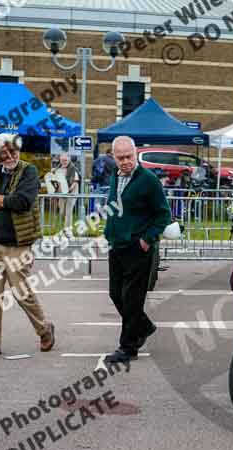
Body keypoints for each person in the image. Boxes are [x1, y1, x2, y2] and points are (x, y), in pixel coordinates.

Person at [0, 133, 55, 359]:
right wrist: (2, 200)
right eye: (4, 153)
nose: (9, 156)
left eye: (13, 151)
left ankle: (44, 329)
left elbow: (21, 203)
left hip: (19, 245)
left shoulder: (29, 171)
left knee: (21, 293)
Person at [103, 136, 171, 364]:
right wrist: (108, 232)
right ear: (114, 156)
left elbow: (163, 214)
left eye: (129, 156)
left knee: (131, 300)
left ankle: (128, 347)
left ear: (136, 153)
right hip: (117, 245)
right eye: (120, 157)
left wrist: (147, 239)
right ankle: (144, 326)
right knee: (116, 294)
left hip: (137, 248)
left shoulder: (148, 180)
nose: (125, 161)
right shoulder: (115, 176)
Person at [57, 152, 80, 228]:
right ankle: (64, 227)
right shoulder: (58, 168)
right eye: (62, 160)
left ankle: (68, 229)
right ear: (60, 160)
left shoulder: (73, 168)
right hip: (62, 193)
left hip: (71, 193)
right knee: (62, 211)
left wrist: (68, 191)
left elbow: (75, 182)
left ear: (69, 160)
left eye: (65, 160)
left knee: (68, 211)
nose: (64, 162)